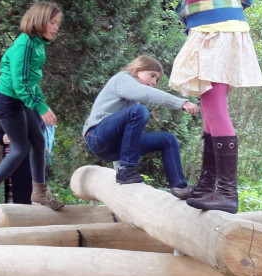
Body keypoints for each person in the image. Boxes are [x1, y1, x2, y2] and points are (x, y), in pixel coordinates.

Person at [151, 0, 262, 214]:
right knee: (213, 112)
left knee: (214, 109)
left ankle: (227, 193)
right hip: (234, 25)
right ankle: (207, 186)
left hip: (210, 28)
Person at [0, 1, 64, 210]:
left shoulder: (37, 44)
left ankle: (40, 193)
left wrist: (42, 104)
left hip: (19, 100)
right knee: (20, 148)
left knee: (38, 141)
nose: (56, 27)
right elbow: (20, 82)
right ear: (39, 20)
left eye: (57, 23)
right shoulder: (24, 44)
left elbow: (31, 82)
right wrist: (40, 108)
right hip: (7, 100)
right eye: (52, 22)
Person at [83, 56, 198, 190]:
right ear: (137, 70)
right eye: (152, 75)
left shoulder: (132, 103)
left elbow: (127, 141)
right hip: (96, 135)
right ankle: (127, 170)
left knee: (168, 140)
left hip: (112, 148)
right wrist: (180, 102)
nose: (154, 82)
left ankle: (180, 188)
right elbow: (146, 93)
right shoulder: (122, 79)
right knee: (139, 111)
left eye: (157, 79)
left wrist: (120, 176)